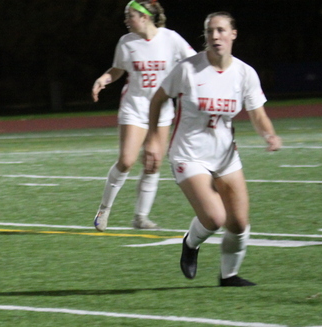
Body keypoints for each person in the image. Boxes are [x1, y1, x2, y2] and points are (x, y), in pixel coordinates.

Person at [144, 11, 282, 286]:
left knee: (239, 224)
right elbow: (158, 99)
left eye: (220, 30)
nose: (215, 36)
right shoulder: (187, 69)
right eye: (210, 31)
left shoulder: (244, 73)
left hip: (225, 156)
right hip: (188, 154)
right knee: (215, 217)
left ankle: (228, 276)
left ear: (233, 34)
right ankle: (190, 244)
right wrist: (153, 139)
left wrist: (270, 135)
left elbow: (257, 114)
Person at [91, 0, 194, 231]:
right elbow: (117, 70)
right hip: (135, 108)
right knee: (127, 161)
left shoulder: (171, 39)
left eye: (131, 16)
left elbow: (192, 62)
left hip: (163, 109)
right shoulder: (126, 42)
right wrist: (103, 79)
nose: (127, 20)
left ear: (145, 17)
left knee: (153, 163)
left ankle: (140, 217)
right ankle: (104, 209)